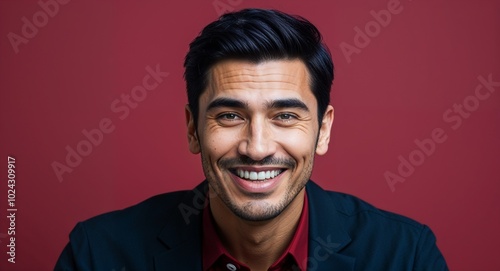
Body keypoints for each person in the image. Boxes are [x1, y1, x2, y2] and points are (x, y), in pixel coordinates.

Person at [55, 8, 448, 271]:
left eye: (285, 116)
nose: (257, 148)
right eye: (229, 116)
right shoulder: (98, 255)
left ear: (323, 130)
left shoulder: (405, 256)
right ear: (193, 129)